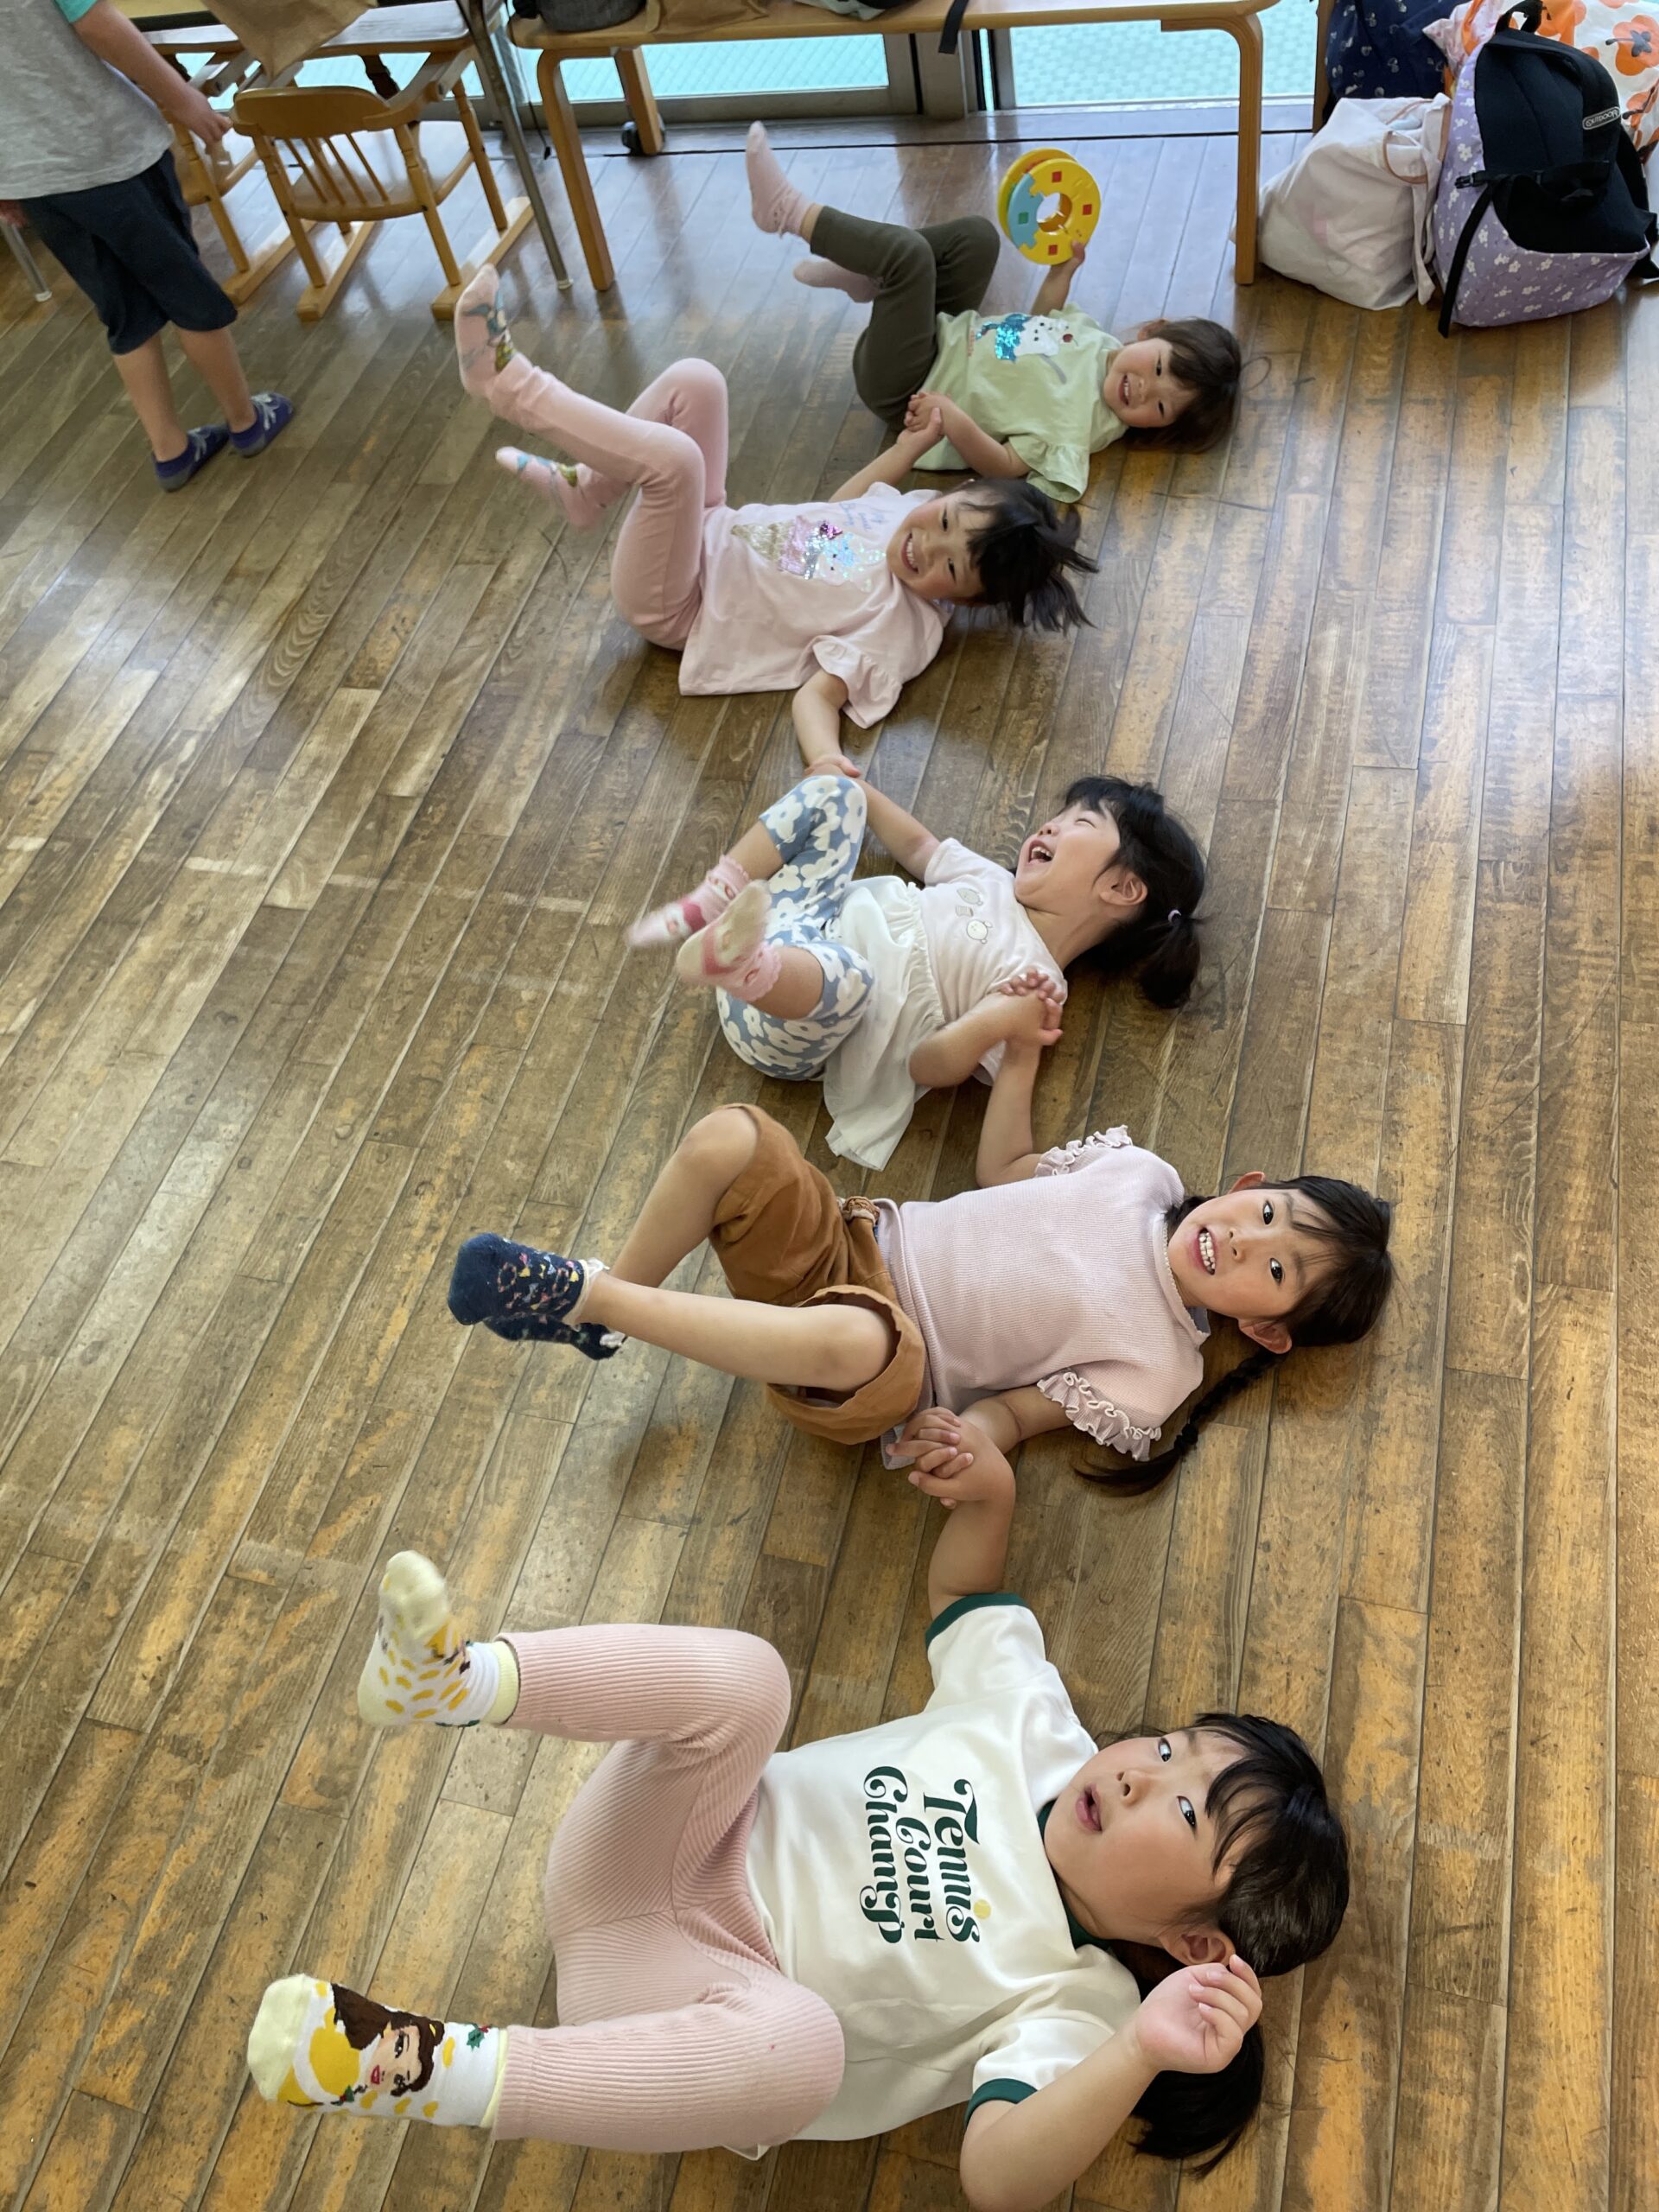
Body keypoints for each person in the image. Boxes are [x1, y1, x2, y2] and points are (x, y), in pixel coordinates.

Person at [246, 1442, 1350, 2188]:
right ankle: (458, 1682)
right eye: (1171, 1745)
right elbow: (967, 1601)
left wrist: (1145, 2049)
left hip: (672, 2001)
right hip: (636, 1852)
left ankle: (412, 2062)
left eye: (1188, 1809)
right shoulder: (1034, 1722)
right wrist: (990, 1498)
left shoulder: (1081, 2002)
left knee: (804, 2048)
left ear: (1193, 1941)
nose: (1145, 1771)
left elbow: (999, 2175)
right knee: (753, 1679)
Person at [444, 1029, 1394, 1478]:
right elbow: (1003, 1169)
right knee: (735, 1135)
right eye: (1266, 1211)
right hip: (848, 1239)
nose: (1243, 1239)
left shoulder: (1162, 1367)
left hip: (879, 1363)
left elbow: (1015, 1415)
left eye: (1274, 1270)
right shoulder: (1138, 1174)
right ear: (1247, 1183)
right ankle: (603, 1316)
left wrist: (966, 1441)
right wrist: (1019, 1058)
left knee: (862, 1340)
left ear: (1265, 1330)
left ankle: (590, 1295)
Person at [454, 266, 1094, 747]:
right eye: (945, 522)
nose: (925, 545)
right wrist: (906, 449)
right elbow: (837, 514)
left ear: (965, 602)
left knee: (675, 463)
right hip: (710, 528)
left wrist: (825, 763)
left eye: (948, 567)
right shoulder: (907, 516)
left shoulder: (903, 627)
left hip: (679, 603)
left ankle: (508, 384)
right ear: (950, 496)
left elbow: (820, 696)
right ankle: (587, 490)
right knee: (697, 381)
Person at [626, 763, 1205, 1170]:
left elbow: (927, 1066)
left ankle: (744, 965)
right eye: (1059, 814)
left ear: (1123, 888)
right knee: (838, 796)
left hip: (786, 1023)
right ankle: (711, 903)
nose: (1049, 824)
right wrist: (850, 782)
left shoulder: (1035, 987)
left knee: (852, 977)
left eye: (1081, 823)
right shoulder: (991, 879)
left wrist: (1003, 1023)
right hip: (796, 925)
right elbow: (919, 847)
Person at [744, 124, 1242, 504]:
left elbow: (1004, 466)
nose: (1145, 390)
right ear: (1152, 331)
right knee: (977, 239)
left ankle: (786, 212)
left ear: (1156, 430)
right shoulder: (1100, 345)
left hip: (908, 387)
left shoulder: (1078, 431)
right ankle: (876, 280)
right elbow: (1035, 328)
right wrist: (1061, 273)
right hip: (944, 337)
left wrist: (953, 419)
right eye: (1159, 368)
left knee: (910, 258)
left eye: (1160, 408)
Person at [0, 0, 292, 491]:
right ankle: (245, 421)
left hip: (34, 177)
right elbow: (98, 24)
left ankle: (170, 452)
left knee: (123, 313)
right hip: (109, 154)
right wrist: (183, 98)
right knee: (185, 292)